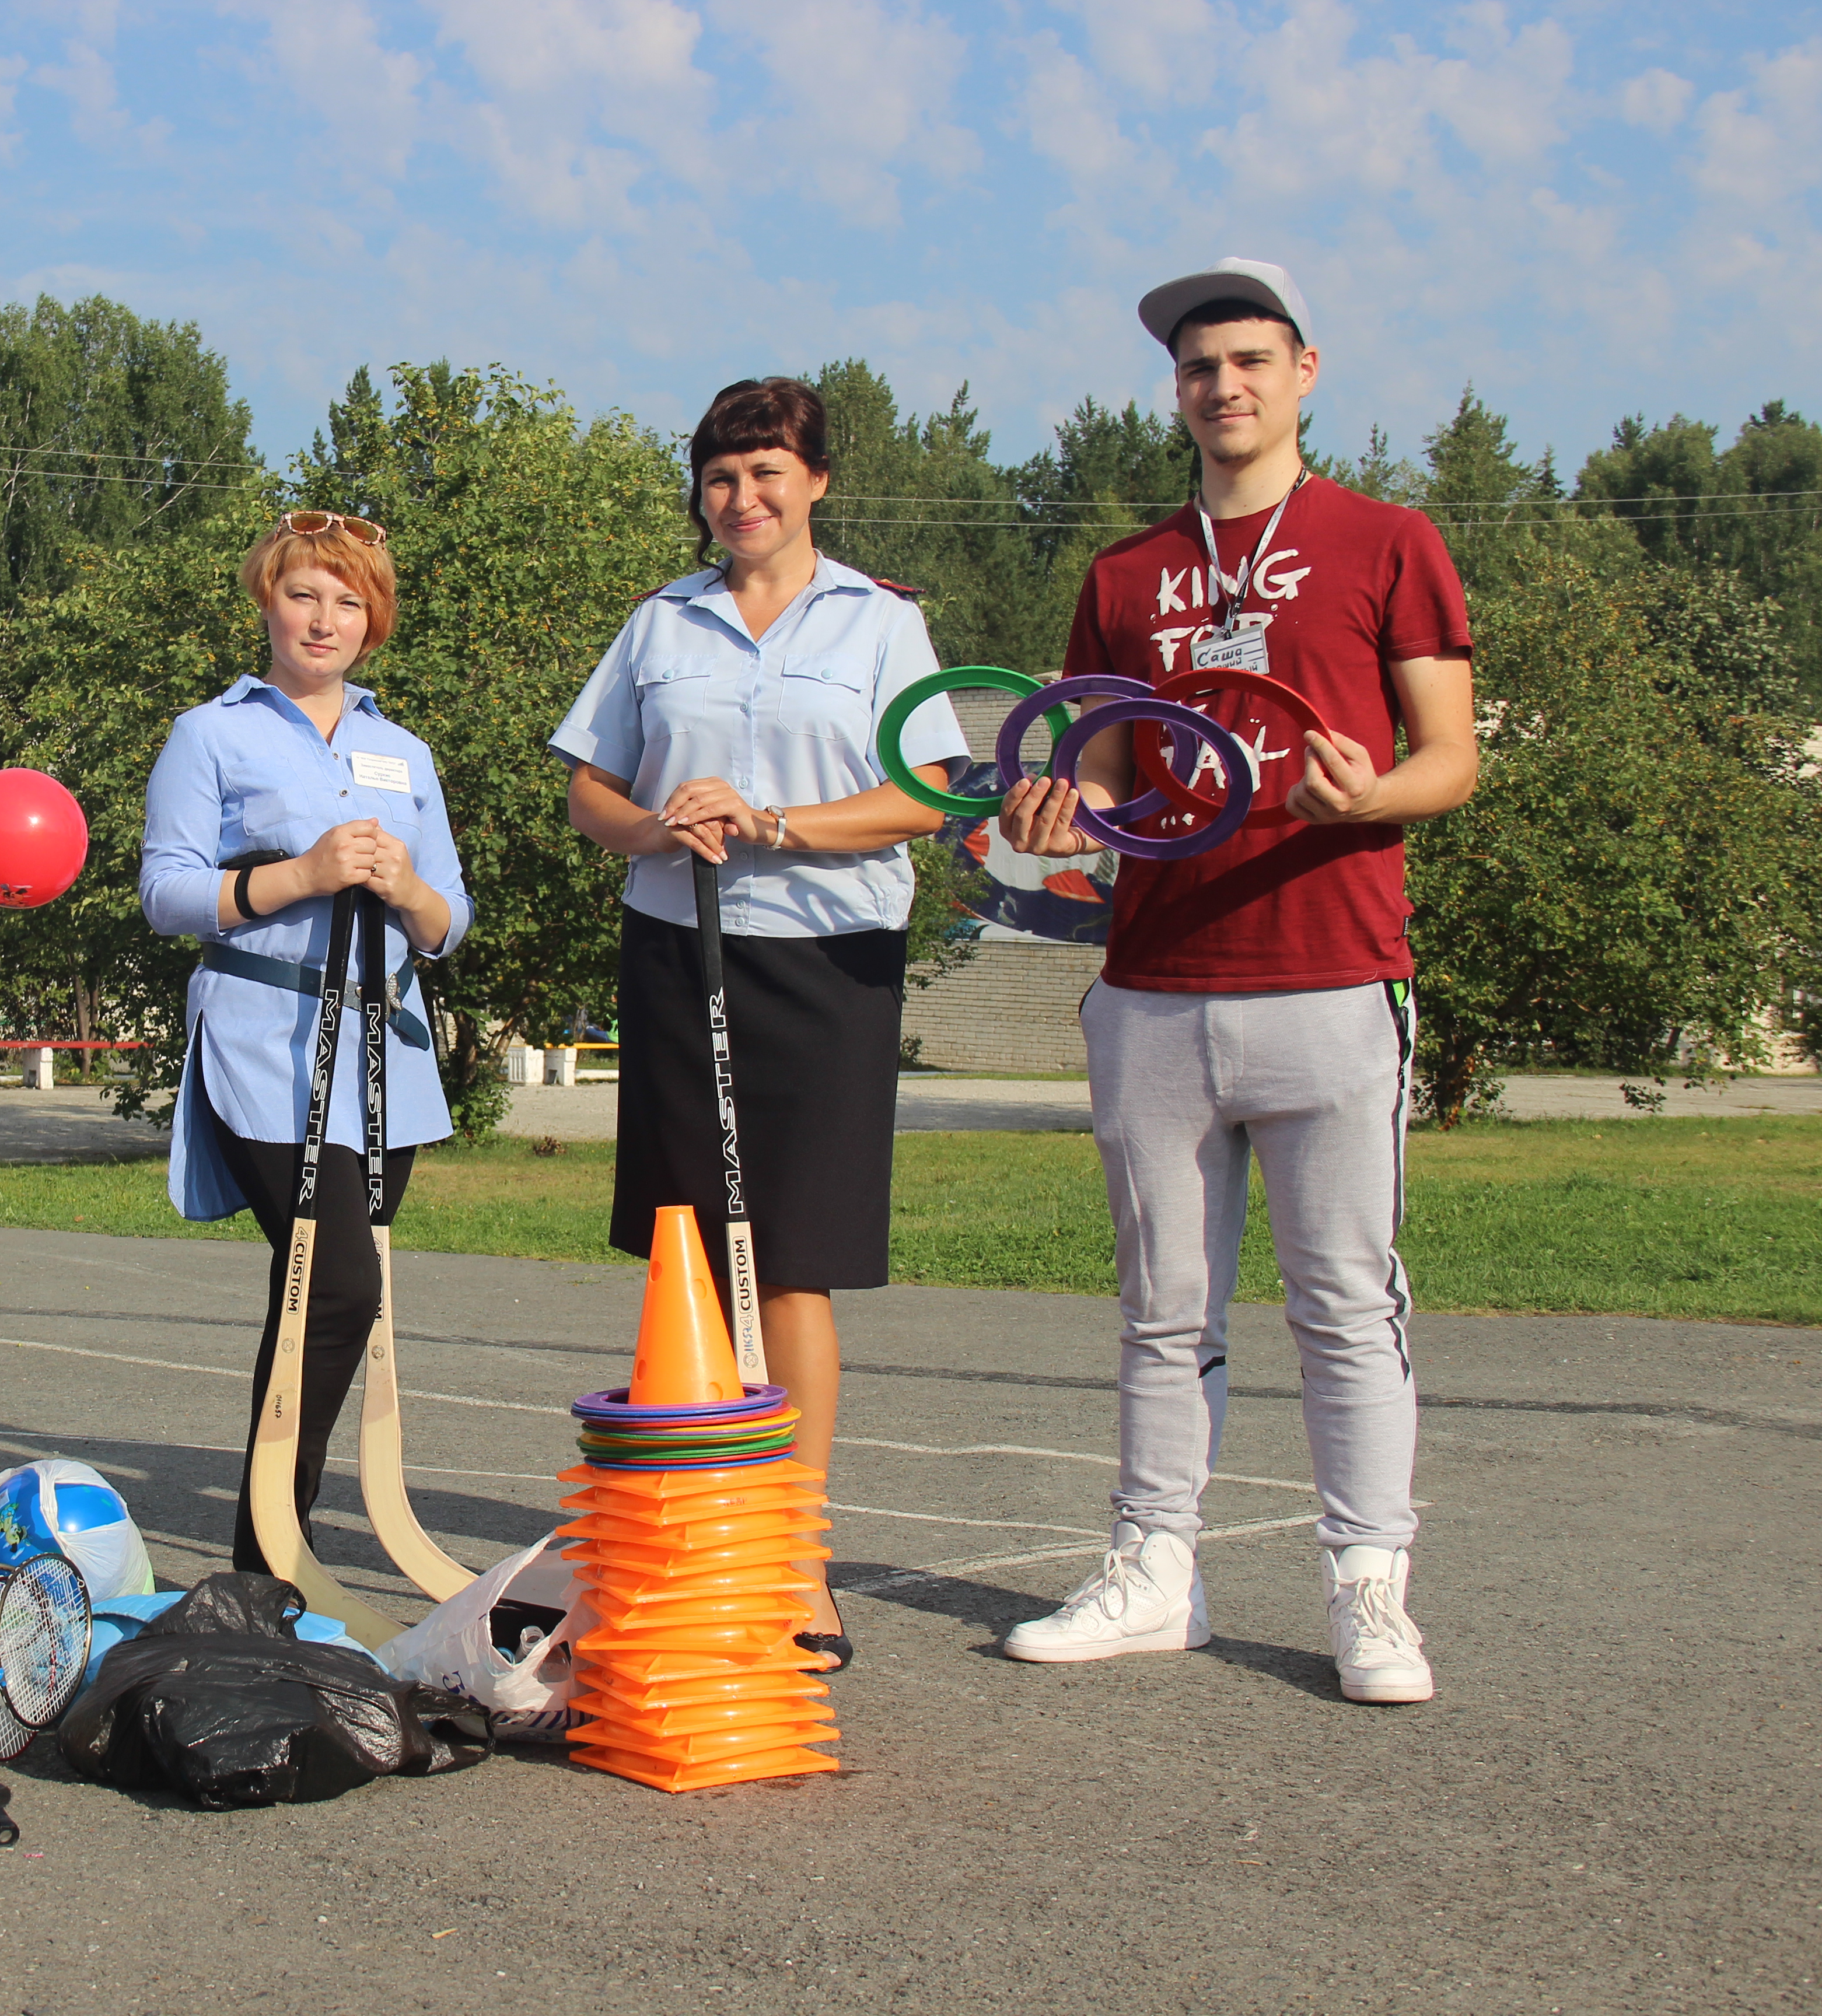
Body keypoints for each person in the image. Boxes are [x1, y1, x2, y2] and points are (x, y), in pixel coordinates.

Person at [994, 258, 1477, 1703]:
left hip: (1330, 970)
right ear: (1179, 391)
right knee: (1160, 1301)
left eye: (1250, 360)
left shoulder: (1387, 539)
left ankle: (1367, 1588)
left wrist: (1365, 798)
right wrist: (1046, 819)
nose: (1224, 386)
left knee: (1342, 1299)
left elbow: (1449, 760)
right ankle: (1154, 1569)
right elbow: (1089, 773)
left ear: (1302, 371)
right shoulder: (1122, 573)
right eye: (1201, 367)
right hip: (1152, 985)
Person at [550, 376, 971, 1670]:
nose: (744, 498)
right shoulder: (660, 622)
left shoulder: (880, 623)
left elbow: (927, 794)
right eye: (723, 477)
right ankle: (694, 1533)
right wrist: (656, 826)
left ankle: (794, 1554)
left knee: (792, 1259)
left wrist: (775, 825)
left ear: (818, 483)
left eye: (769, 472)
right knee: (688, 1255)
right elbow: (590, 790)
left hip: (828, 963)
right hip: (681, 949)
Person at [139, 512, 469, 1576]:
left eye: (347, 599)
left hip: (386, 1064)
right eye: (303, 594)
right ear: (265, 602)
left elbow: (449, 920)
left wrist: (405, 885)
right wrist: (305, 874)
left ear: (372, 620)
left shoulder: (402, 750)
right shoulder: (211, 733)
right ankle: (269, 1556)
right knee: (331, 1291)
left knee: (318, 1298)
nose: (323, 618)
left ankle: (273, 1545)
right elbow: (165, 892)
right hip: (262, 1047)